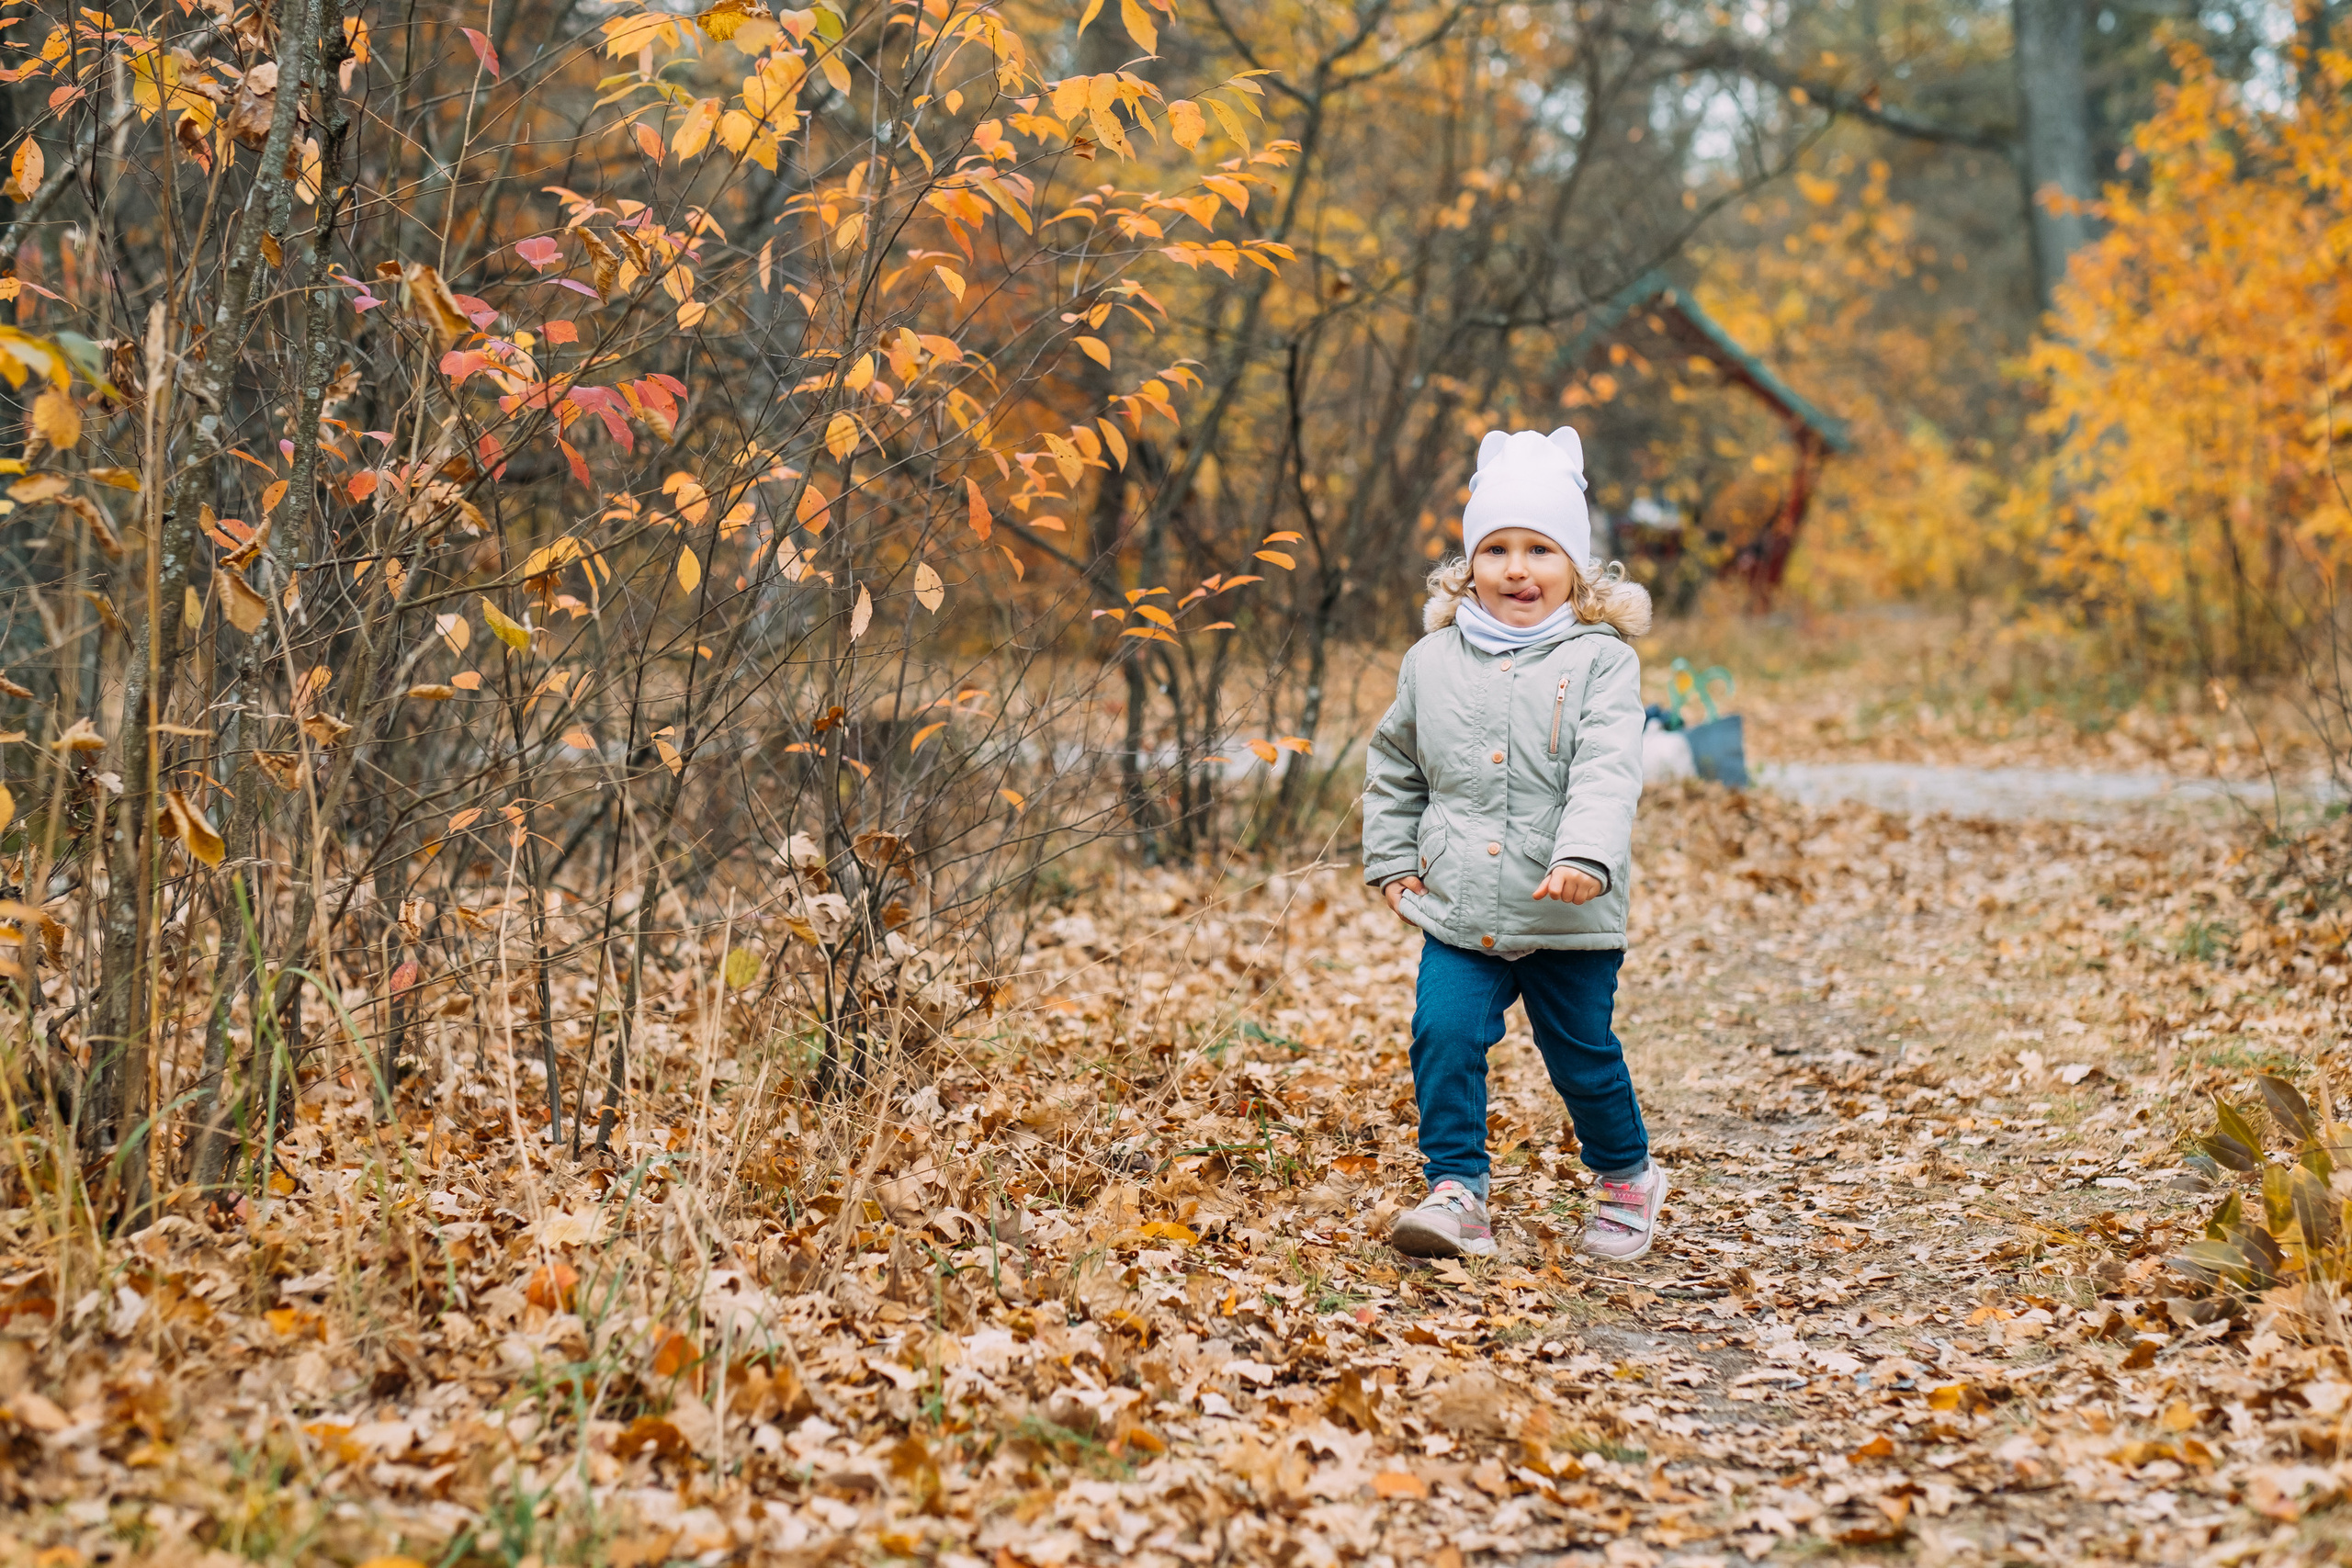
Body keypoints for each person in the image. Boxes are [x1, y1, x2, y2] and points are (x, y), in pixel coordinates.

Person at [1362, 425, 1666, 1262]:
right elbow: (1395, 764)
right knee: (1443, 1034)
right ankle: (1456, 1189)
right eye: (1496, 549)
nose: (1517, 569)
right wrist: (1391, 860)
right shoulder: (1431, 661)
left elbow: (1607, 767)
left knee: (1581, 1057)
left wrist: (1585, 856)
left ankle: (1625, 1175)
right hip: (1461, 904)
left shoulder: (1601, 662)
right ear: (1469, 566)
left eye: (1540, 549)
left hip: (1567, 908)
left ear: (1575, 566)